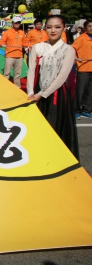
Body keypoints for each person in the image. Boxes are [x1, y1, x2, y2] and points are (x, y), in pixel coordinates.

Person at [27, 15, 78, 159]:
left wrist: (43, 94)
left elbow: (62, 77)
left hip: (57, 94)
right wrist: (31, 91)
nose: (53, 30)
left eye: (57, 27)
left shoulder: (68, 50)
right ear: (44, 29)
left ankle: (55, 159)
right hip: (36, 93)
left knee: (55, 127)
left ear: (64, 28)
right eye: (49, 27)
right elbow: (31, 71)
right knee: (38, 129)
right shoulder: (37, 47)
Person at [0, 15, 26, 88]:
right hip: (9, 56)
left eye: (19, 22)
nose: (17, 23)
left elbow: (25, 42)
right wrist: (3, 44)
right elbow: (1, 42)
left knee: (17, 74)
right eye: (16, 22)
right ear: (13, 23)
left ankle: (17, 88)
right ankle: (4, 87)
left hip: (19, 56)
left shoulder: (22, 32)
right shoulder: (7, 32)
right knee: (6, 73)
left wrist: (27, 46)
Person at [72, 20, 92, 119]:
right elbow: (72, 49)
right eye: (89, 26)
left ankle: (86, 109)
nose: (91, 28)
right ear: (85, 28)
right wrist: (76, 57)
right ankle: (76, 110)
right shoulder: (81, 39)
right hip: (83, 68)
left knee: (90, 91)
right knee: (80, 91)